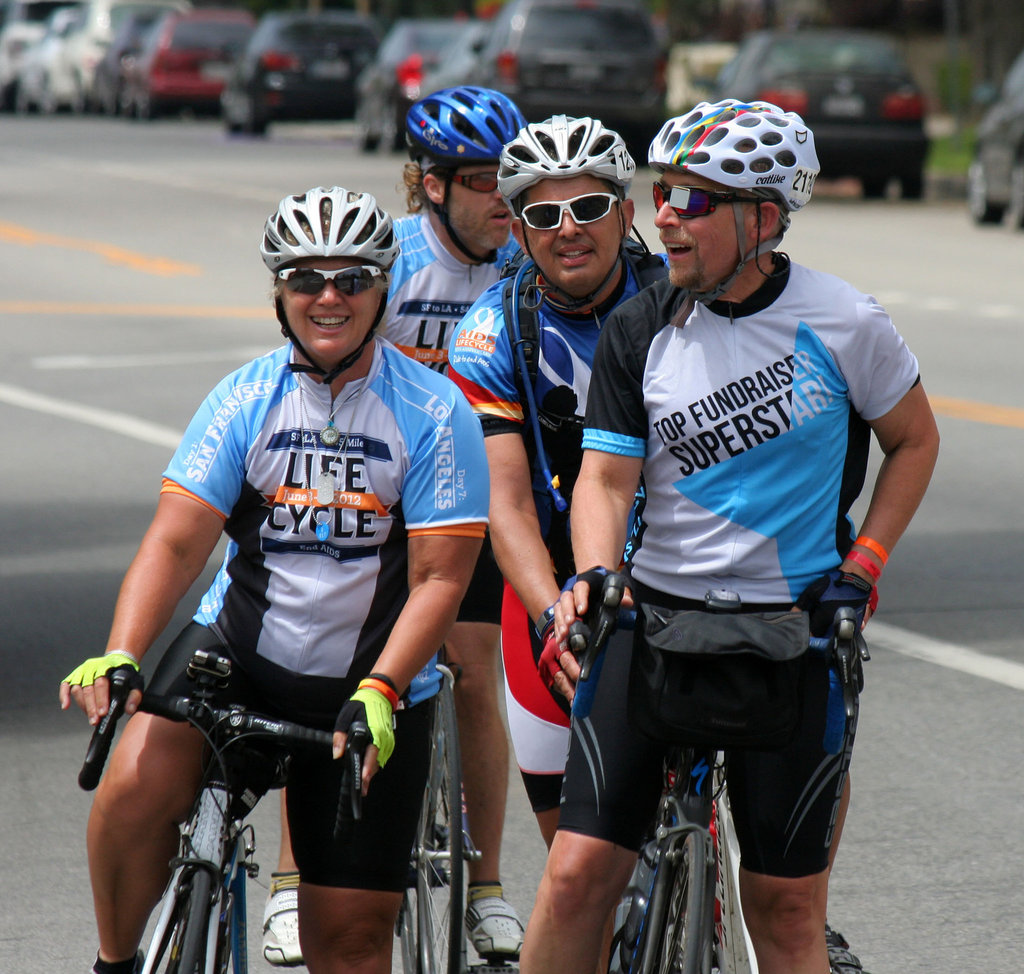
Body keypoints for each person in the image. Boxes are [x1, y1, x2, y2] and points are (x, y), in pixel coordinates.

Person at [519, 99, 940, 974]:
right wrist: (596, 574)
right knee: (575, 878)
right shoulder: (642, 326)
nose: (666, 214)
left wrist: (863, 565)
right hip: (657, 619)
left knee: (786, 911)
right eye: (665, 192)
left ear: (764, 218)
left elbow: (915, 440)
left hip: (793, 631)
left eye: (696, 200)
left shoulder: (845, 322)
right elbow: (603, 478)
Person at [59, 186, 489, 974]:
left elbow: (438, 580)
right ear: (279, 293)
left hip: (370, 693)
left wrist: (386, 687)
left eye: (352, 279)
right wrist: (121, 652)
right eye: (306, 279)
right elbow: (176, 544)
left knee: (351, 942)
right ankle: (118, 963)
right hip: (238, 663)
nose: (329, 297)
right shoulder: (244, 399)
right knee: (128, 796)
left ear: (384, 289)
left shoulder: (435, 411)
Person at [262, 86, 527, 967]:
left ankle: (485, 884)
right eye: (484, 178)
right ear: (429, 188)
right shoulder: (389, 262)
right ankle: (294, 883)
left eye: (511, 176)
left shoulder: (524, 263)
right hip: (369, 489)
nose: (505, 197)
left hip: (465, 490)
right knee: (326, 659)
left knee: (476, 669)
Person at [447, 114, 666, 847]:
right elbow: (503, 503)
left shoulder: (683, 306)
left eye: (591, 207)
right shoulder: (491, 331)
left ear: (628, 214)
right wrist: (550, 619)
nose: (569, 228)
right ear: (518, 232)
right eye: (544, 214)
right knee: (577, 869)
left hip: (677, 569)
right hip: (552, 581)